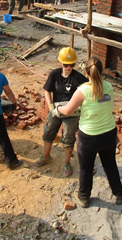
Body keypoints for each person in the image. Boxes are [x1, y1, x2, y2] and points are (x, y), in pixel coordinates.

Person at [56, 57, 122, 208]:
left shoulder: (83, 90)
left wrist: (57, 108)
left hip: (89, 136)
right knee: (110, 165)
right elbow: (101, 103)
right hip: (108, 133)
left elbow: (68, 110)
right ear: (101, 71)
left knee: (86, 168)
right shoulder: (108, 87)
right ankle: (119, 194)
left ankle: (84, 197)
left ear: (86, 72)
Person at [35, 47, 88, 176]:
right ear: (60, 63)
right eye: (66, 64)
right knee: (48, 132)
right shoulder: (54, 74)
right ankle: (46, 156)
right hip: (56, 110)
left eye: (71, 65)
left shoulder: (79, 78)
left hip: (71, 113)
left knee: (68, 138)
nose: (69, 67)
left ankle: (66, 163)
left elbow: (89, 89)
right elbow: (47, 90)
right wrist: (50, 106)